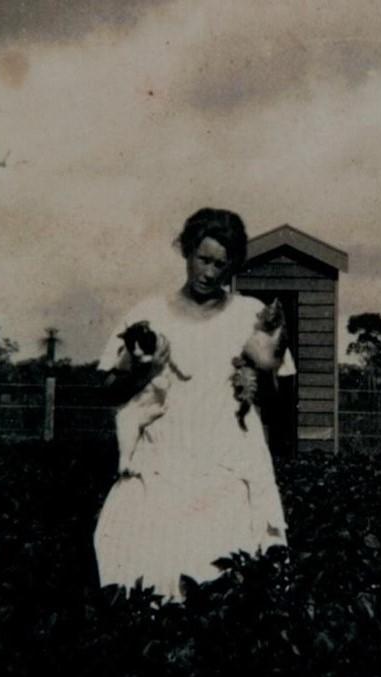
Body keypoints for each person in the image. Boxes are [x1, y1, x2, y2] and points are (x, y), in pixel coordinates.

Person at [94, 207, 294, 601]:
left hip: (227, 460)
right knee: (151, 570)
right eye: (203, 260)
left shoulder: (249, 315)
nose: (210, 273)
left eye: (222, 264)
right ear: (186, 253)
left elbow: (278, 393)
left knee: (223, 571)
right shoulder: (148, 315)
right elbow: (110, 391)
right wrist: (140, 369)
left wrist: (260, 369)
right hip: (162, 459)